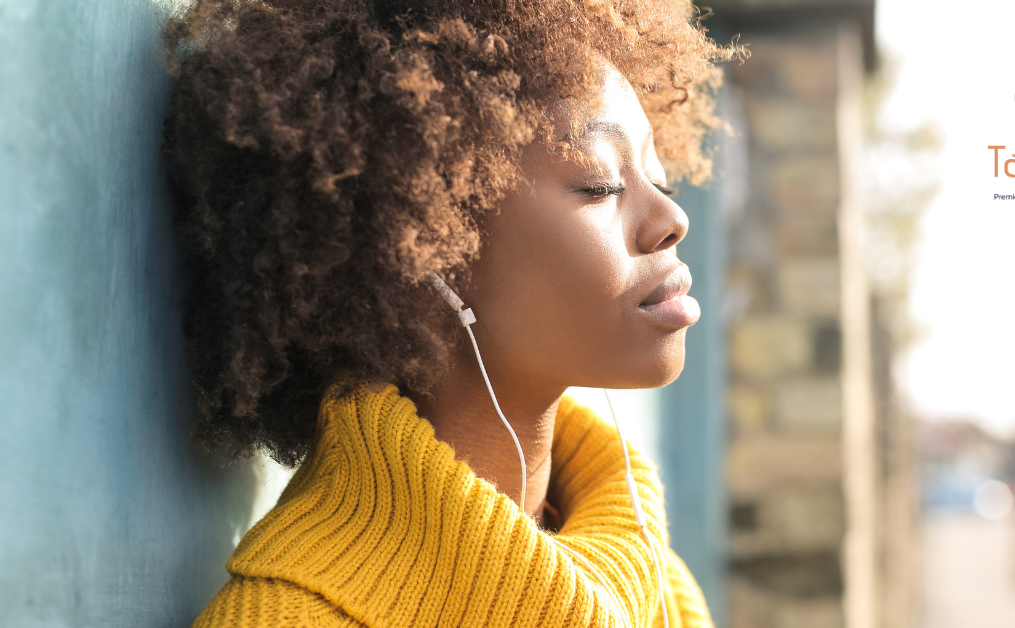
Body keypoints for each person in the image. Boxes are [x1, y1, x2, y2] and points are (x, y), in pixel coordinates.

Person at [163, 0, 741, 626]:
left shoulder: (659, 589)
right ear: (416, 241)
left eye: (660, 178)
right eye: (600, 184)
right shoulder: (285, 617)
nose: (672, 220)